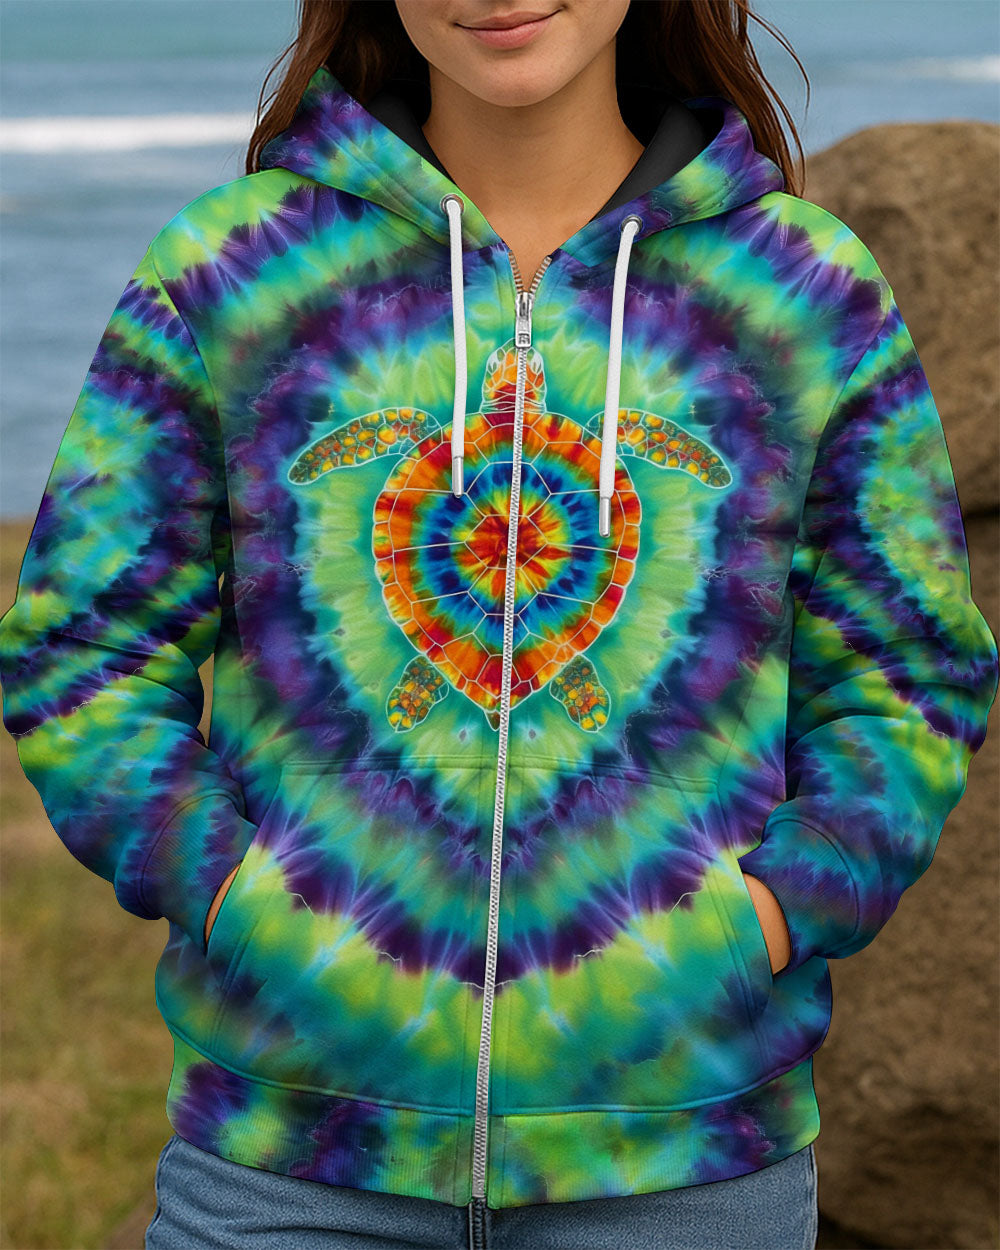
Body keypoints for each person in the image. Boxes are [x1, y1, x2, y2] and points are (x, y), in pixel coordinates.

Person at [1, 0, 997, 1247]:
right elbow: (85, 650)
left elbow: (906, 670)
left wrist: (770, 916)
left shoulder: (802, 291)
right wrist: (234, 896)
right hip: (291, 1165)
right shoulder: (233, 272)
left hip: (681, 1169)